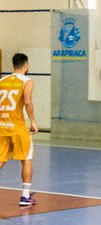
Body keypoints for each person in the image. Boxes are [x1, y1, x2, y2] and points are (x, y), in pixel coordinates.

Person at [0, 53, 38, 205]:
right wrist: (33, 121)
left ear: (13, 65)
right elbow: (27, 102)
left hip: (2, 126)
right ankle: (25, 196)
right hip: (18, 127)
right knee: (26, 159)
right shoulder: (27, 81)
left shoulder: (2, 80)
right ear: (26, 65)